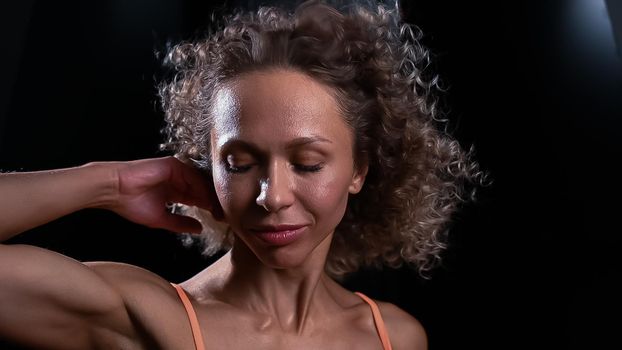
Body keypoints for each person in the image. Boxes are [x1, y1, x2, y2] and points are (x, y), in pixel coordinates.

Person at [0, 1, 480, 349]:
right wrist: (108, 182)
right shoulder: (151, 319)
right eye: (240, 164)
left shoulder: (394, 336)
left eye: (307, 163)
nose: (272, 196)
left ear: (359, 169)